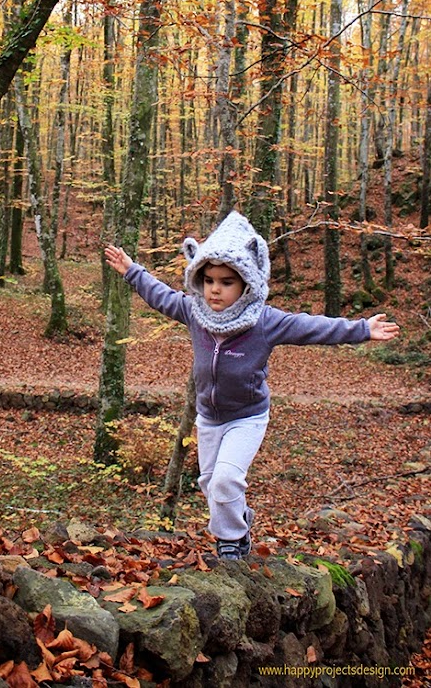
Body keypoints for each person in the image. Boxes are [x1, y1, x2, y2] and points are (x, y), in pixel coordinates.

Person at [105, 211, 400, 560]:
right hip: (209, 418)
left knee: (226, 481)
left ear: (246, 282)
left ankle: (231, 542)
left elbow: (312, 327)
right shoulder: (194, 312)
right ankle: (241, 519)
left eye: (227, 282)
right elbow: (161, 296)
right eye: (210, 280)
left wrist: (362, 330)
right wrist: (132, 271)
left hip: (247, 417)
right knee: (209, 485)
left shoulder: (264, 321)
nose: (215, 289)